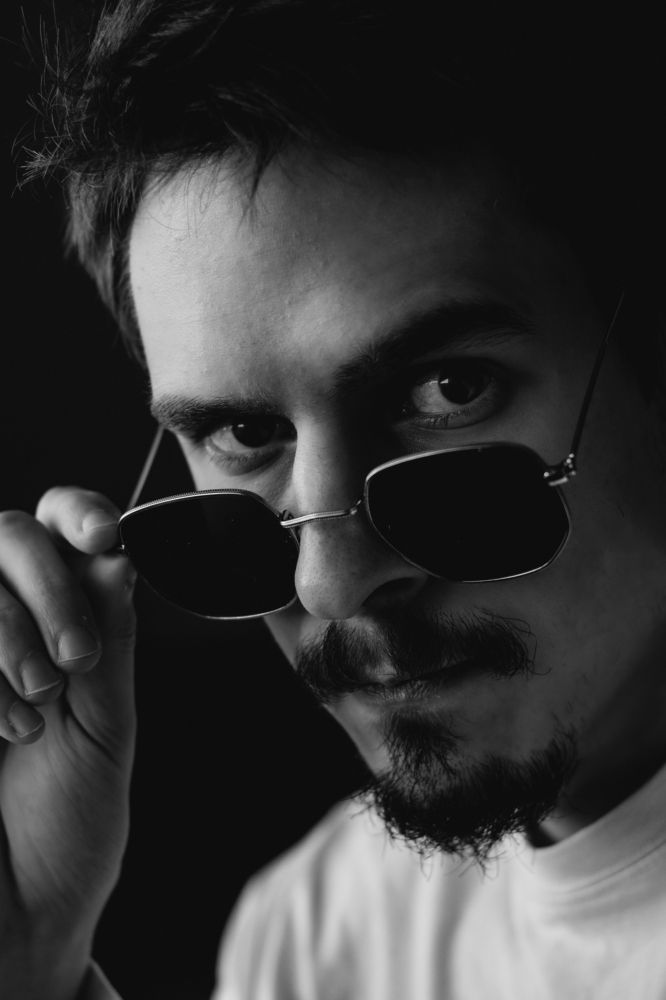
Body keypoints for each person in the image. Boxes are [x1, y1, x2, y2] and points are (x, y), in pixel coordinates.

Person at [4, 1, 666, 996]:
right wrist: (28, 960)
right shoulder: (310, 941)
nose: (331, 582)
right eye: (245, 434)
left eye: (447, 389)